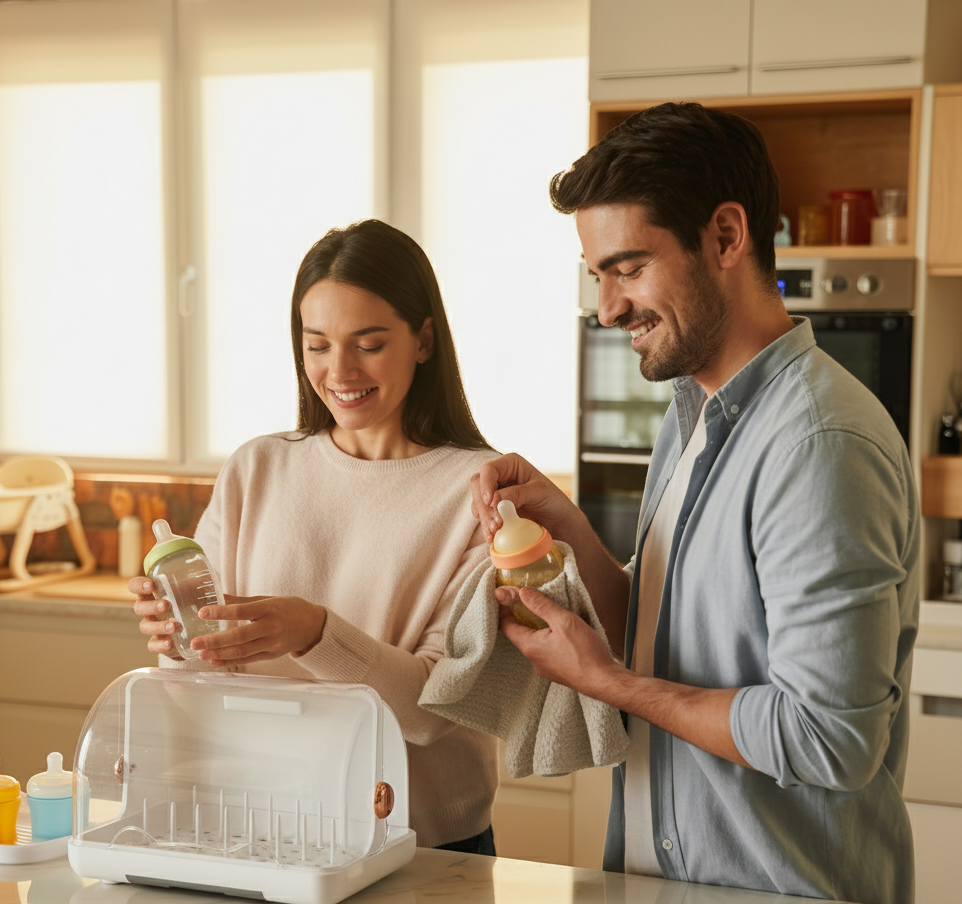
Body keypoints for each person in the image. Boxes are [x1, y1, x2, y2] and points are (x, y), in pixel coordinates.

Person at [470, 102, 919, 903]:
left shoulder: (818, 444)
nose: (608, 308)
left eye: (629, 267)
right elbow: (661, 636)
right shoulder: (691, 415)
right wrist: (569, 528)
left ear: (725, 237)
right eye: (598, 275)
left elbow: (830, 737)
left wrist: (609, 684)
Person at [129, 218, 500, 855]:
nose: (340, 370)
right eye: (318, 344)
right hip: (261, 829)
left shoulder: (482, 489)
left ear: (424, 340)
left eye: (369, 343)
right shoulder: (256, 468)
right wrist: (180, 636)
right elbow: (202, 688)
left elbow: (434, 710)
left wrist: (315, 634)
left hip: (422, 846)